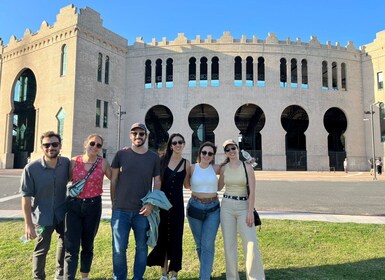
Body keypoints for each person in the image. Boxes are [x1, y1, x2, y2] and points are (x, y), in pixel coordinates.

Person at [110, 123, 161, 280]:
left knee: (141, 248)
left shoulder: (153, 157)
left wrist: (151, 203)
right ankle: (120, 278)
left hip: (142, 211)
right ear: (130, 136)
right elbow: (114, 179)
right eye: (134, 133)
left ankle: (138, 278)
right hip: (121, 211)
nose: (138, 136)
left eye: (141, 133)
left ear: (146, 136)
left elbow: (157, 182)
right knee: (119, 249)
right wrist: (114, 202)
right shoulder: (121, 154)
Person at [20, 131, 70, 280]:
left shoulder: (66, 163)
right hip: (42, 217)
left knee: (64, 244)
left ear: (60, 146)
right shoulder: (31, 169)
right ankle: (38, 277)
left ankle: (60, 274)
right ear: (41, 147)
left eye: (54, 144)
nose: (51, 148)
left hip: (62, 214)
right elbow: (26, 198)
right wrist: (28, 224)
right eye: (46, 145)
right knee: (41, 249)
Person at [64, 134, 112, 280]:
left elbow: (116, 179)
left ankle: (85, 277)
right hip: (73, 206)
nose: (95, 147)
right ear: (86, 144)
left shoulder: (103, 163)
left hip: (93, 206)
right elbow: (63, 180)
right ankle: (69, 277)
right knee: (71, 246)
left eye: (99, 145)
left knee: (88, 244)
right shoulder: (74, 161)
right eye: (92, 143)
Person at [218, 139, 265, 280]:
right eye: (227, 149)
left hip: (244, 206)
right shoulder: (224, 168)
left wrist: (250, 211)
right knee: (229, 245)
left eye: (233, 148)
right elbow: (218, 187)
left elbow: (252, 192)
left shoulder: (247, 167)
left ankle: (255, 277)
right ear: (225, 153)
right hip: (226, 206)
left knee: (251, 243)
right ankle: (232, 277)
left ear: (238, 149)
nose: (231, 151)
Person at [147, 133, 191, 280]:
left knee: (177, 238)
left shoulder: (186, 163)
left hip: (177, 206)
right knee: (163, 238)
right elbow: (157, 182)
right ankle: (164, 273)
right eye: (174, 143)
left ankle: (174, 273)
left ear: (184, 144)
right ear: (170, 146)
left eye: (180, 142)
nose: (177, 145)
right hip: (163, 206)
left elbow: (187, 184)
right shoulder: (162, 161)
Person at [186, 141, 221, 280]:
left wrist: (249, 162)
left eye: (210, 153)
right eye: (204, 152)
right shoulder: (192, 168)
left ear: (213, 156)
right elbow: (186, 184)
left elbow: (233, 165)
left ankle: (204, 277)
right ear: (199, 153)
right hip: (195, 207)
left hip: (213, 209)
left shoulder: (217, 168)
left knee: (207, 244)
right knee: (200, 244)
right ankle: (207, 271)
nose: (206, 155)